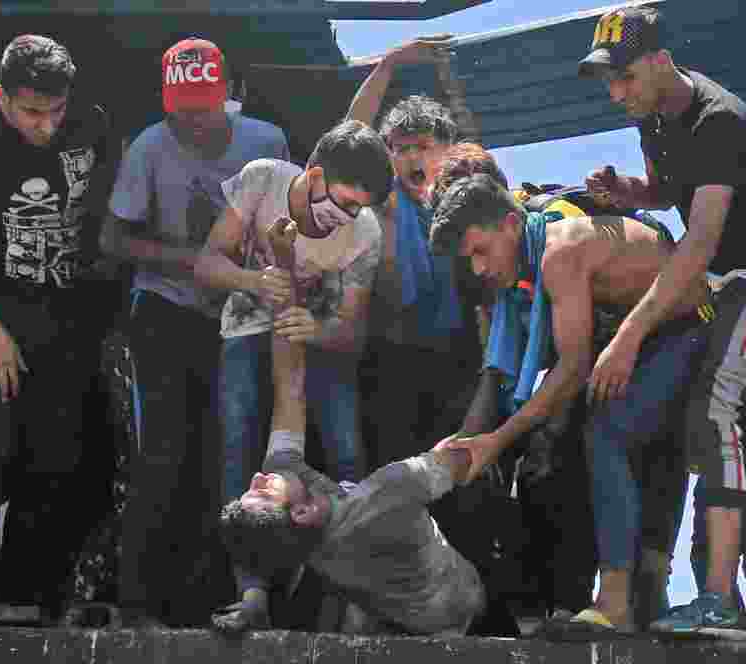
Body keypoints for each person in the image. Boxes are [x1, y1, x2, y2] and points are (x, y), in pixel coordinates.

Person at [575, 3, 746, 635]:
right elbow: (670, 191)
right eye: (608, 80)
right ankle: (696, 588)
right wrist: (628, 193)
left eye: (625, 77)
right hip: (715, 281)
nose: (616, 93)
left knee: (717, 410)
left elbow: (699, 242)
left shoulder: (719, 117)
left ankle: (721, 599)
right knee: (693, 425)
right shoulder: (653, 115)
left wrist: (627, 335)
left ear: (660, 61)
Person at [431, 173, 713, 638]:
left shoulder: (557, 253)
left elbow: (572, 368)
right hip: (646, 335)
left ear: (508, 224)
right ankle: (625, 599)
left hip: (687, 326)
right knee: (598, 436)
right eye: (469, 259)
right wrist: (470, 437)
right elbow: (515, 368)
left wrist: (498, 440)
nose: (479, 269)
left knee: (605, 434)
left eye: (481, 251)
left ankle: (616, 603)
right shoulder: (528, 263)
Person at [100, 37, 289, 628]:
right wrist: (191, 260)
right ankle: (138, 603)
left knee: (231, 455)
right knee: (163, 454)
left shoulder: (267, 141)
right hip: (166, 310)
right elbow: (113, 241)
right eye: (183, 112)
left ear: (228, 96)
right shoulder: (149, 149)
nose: (195, 124)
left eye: (205, 110)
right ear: (166, 103)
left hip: (240, 322)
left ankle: (220, 596)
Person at [346, 39, 517, 636]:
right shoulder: (387, 198)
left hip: (460, 365)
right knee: (394, 498)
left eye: (425, 147)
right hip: (390, 365)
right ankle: (397, 617)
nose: (414, 158)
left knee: (468, 491)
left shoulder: (469, 195)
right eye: (402, 148)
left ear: (449, 150)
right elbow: (347, 134)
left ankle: (484, 621)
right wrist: (387, 66)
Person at [195, 119, 392, 631]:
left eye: (358, 208)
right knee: (240, 459)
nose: (348, 215)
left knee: (346, 458)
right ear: (316, 174)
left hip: (319, 345)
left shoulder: (365, 230)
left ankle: (353, 603)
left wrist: (319, 330)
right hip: (245, 330)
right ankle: (250, 594)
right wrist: (253, 281)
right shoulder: (262, 180)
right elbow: (206, 263)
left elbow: (351, 332)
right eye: (344, 202)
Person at [0, 34, 120, 618]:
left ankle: (27, 592)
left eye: (55, 112)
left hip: (68, 317)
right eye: (31, 113)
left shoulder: (92, 127)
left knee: (56, 458)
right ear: (0, 97)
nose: (45, 126)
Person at [218, 429, 485, 637]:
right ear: (301, 513)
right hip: (468, 608)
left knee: (355, 618)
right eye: (263, 492)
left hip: (407, 621)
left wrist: (254, 595)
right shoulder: (387, 492)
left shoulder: (304, 547)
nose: (257, 476)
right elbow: (477, 450)